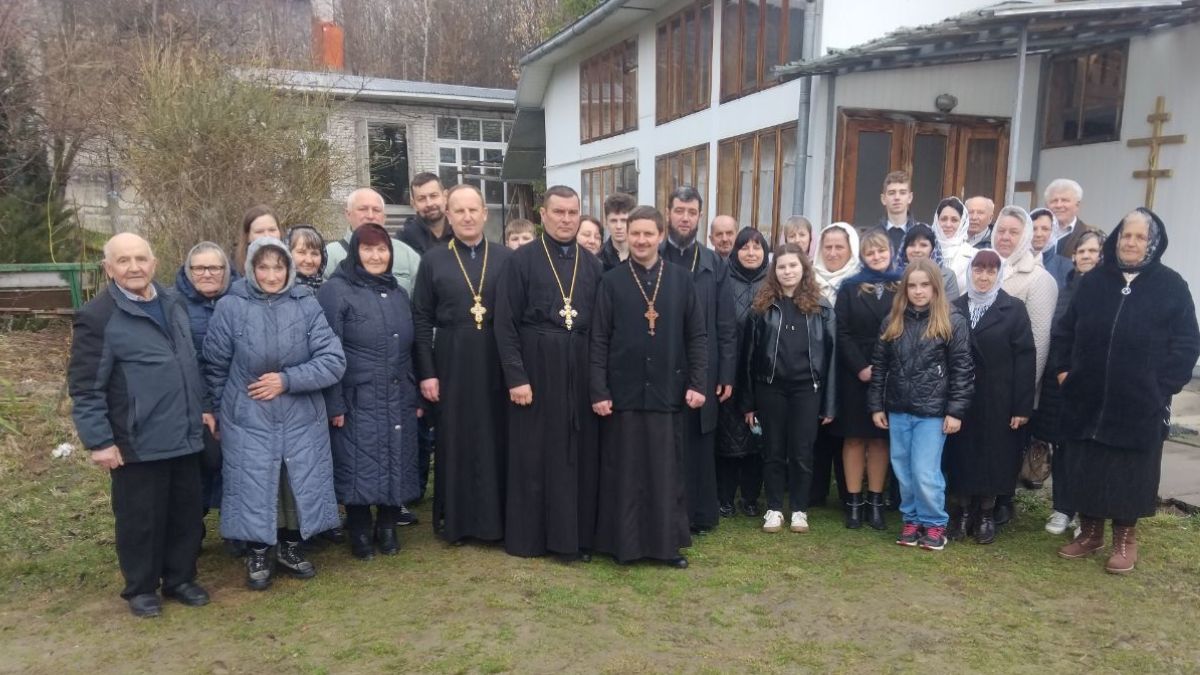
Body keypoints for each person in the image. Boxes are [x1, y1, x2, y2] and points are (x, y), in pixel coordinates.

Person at [69, 233, 211, 618]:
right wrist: (99, 441)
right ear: (109, 268)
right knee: (141, 519)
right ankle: (141, 588)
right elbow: (85, 387)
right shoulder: (98, 317)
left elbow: (188, 364)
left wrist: (202, 407)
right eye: (124, 260)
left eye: (141, 259)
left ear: (154, 262)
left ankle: (181, 579)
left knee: (185, 513)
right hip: (136, 440)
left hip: (184, 433)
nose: (134, 268)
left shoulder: (172, 302)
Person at [1053, 209, 1199, 573]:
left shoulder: (1171, 285)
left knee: (1128, 472)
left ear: (1153, 243)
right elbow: (1066, 330)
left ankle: (1123, 538)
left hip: (1138, 401)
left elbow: (1186, 343)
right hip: (1086, 395)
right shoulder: (1094, 282)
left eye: (1139, 237)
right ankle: (1090, 532)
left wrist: (1162, 385)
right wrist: (1063, 373)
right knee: (1086, 465)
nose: (1131, 243)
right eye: (1125, 236)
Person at [204, 237, 345, 590]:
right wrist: (221, 411)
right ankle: (258, 549)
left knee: (295, 480)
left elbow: (333, 361)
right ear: (251, 268)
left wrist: (287, 380)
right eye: (263, 267)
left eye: (278, 266)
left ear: (289, 268)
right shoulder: (231, 307)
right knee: (253, 481)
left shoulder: (306, 304)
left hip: (300, 411)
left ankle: (291, 545)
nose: (271, 275)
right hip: (247, 414)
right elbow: (215, 366)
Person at [590, 205, 707, 568]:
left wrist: (698, 381)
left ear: (660, 235)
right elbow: (598, 340)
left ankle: (664, 547)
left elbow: (697, 336)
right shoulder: (611, 281)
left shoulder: (681, 279)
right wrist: (599, 390)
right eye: (634, 233)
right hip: (622, 392)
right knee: (624, 471)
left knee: (663, 472)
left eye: (648, 234)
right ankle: (623, 546)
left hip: (665, 390)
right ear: (626, 234)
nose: (641, 240)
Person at [494, 185, 604, 560]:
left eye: (573, 213)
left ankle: (575, 537)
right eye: (558, 212)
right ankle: (534, 537)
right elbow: (505, 324)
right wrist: (516, 377)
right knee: (535, 453)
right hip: (536, 369)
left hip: (579, 366)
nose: (566, 219)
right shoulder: (521, 260)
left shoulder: (593, 264)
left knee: (577, 454)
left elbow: (602, 328)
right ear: (543, 215)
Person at [413, 184, 513, 545]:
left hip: (496, 360)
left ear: (485, 213)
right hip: (452, 360)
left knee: (496, 437)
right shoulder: (433, 260)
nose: (468, 217)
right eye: (460, 211)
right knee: (456, 439)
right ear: (449, 216)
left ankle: (496, 520)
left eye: (474, 210)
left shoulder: (505, 258)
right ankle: (456, 521)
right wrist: (427, 372)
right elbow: (421, 319)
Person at [317, 223, 420, 560]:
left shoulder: (398, 293)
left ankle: (388, 527)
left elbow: (412, 348)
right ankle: (360, 530)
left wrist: (416, 392)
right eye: (368, 249)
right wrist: (334, 404)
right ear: (355, 252)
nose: (376, 256)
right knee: (357, 464)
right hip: (357, 396)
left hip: (398, 392)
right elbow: (328, 349)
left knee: (395, 458)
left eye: (382, 249)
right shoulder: (336, 291)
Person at [868, 258, 973, 551]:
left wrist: (955, 410)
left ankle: (935, 524)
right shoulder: (892, 321)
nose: (918, 291)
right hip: (899, 408)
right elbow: (880, 367)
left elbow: (962, 369)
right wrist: (877, 405)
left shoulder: (952, 320)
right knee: (903, 469)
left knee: (925, 471)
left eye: (924, 285)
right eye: (912, 285)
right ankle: (911, 519)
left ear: (936, 287)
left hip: (933, 412)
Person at [741, 244, 836, 535]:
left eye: (793, 266)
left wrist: (829, 404)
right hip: (771, 388)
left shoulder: (821, 307)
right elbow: (749, 356)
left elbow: (832, 357)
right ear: (775, 271)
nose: (787, 271)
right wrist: (748, 403)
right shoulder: (762, 307)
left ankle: (798, 509)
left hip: (808, 389)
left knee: (802, 451)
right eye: (781, 267)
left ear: (803, 268)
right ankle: (773, 508)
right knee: (773, 450)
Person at [944, 249, 1036, 544]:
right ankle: (960, 512)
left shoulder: (1014, 309)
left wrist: (1022, 406)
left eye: (990, 271)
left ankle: (985, 514)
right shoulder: (954, 307)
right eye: (978, 270)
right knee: (961, 456)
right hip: (963, 397)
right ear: (970, 272)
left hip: (999, 397)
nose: (983, 277)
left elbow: (1025, 359)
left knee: (994, 457)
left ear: (999, 274)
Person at [659, 186, 736, 535]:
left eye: (691, 212)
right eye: (679, 211)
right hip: (661, 362)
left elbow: (726, 323)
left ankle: (698, 514)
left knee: (698, 440)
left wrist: (726, 372)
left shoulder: (714, 263)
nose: (685, 218)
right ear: (668, 212)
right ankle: (664, 511)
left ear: (699, 216)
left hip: (703, 364)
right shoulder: (654, 255)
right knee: (664, 439)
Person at [989, 206, 1059, 526]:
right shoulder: (983, 267)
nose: (1005, 237)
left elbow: (1039, 343)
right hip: (980, 378)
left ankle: (1004, 498)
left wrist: (1025, 395)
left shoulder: (1039, 279)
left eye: (1013, 232)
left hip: (1015, 383)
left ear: (1026, 236)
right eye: (1001, 230)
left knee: (1008, 446)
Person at [1034, 230, 1104, 536]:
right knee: (1062, 448)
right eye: (1081, 251)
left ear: (1103, 255)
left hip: (1095, 386)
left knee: (1090, 451)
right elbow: (1057, 335)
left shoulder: (1109, 293)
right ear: (1072, 256)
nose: (1086, 256)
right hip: (1060, 382)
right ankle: (1062, 508)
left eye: (1093, 251)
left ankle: (1085, 514)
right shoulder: (1062, 291)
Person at [834, 230, 901, 530]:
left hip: (891, 367)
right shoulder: (848, 287)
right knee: (855, 437)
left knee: (879, 438)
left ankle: (876, 501)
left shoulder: (901, 285)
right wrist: (860, 366)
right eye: (870, 252)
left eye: (881, 251)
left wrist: (885, 365)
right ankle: (853, 502)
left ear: (890, 252)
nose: (876, 257)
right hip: (854, 372)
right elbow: (842, 330)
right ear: (862, 256)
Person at [173, 242, 235, 550]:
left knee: (234, 469)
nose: (208, 274)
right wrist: (204, 406)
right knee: (196, 475)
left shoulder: (240, 298)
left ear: (226, 270)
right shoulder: (175, 305)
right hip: (195, 404)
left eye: (215, 268)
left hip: (236, 399)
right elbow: (184, 361)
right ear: (188, 271)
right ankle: (189, 535)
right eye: (200, 268)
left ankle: (235, 532)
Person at [716, 228, 769, 518]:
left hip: (761, 374)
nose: (751, 253)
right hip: (729, 371)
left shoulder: (772, 281)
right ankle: (724, 496)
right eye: (745, 247)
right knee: (726, 439)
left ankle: (750, 497)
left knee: (756, 438)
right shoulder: (723, 279)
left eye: (757, 247)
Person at [810, 222, 860, 507]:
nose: (832, 252)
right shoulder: (809, 279)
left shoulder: (857, 281)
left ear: (850, 249)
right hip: (814, 365)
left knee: (844, 429)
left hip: (847, 367)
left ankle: (846, 491)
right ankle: (815, 491)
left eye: (839, 246)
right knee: (816, 429)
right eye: (827, 246)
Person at [324, 188, 422, 295]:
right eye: (363, 209)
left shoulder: (406, 254)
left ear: (384, 217)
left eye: (376, 210)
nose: (370, 216)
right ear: (348, 214)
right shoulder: (329, 255)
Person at [896, 224, 961, 300]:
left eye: (923, 245)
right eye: (911, 245)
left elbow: (951, 308)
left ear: (933, 249)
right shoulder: (894, 275)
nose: (917, 250)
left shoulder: (948, 276)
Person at [399, 172, 452, 255]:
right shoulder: (403, 242)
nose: (429, 204)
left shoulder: (460, 235)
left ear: (445, 197)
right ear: (414, 204)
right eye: (421, 199)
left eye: (434, 196)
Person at [874, 171, 926, 254]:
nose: (897, 197)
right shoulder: (873, 236)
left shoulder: (922, 235)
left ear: (910, 197)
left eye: (902, 193)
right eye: (892, 193)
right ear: (883, 199)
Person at [933, 197, 977, 291]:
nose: (948, 224)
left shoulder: (974, 255)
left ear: (962, 223)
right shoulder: (925, 251)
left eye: (954, 220)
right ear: (937, 221)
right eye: (944, 219)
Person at [1042, 178, 1091, 259]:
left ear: (1077, 205)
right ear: (1046, 206)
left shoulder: (1090, 235)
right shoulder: (1033, 233)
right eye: (1054, 201)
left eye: (1065, 200)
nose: (1058, 205)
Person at [1029, 208, 1071, 288]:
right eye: (1033, 229)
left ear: (1053, 231)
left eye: (1045, 229)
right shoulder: (1015, 264)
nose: (1038, 234)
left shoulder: (1067, 267)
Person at [235, 204, 282, 273]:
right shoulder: (233, 270)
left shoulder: (294, 263)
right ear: (247, 236)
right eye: (259, 232)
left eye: (272, 230)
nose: (267, 236)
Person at [598, 192, 635, 270]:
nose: (618, 226)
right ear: (606, 222)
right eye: (613, 221)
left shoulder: (643, 255)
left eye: (624, 220)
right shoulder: (597, 260)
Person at [287, 225, 327, 290]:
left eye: (315, 254)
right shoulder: (277, 291)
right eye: (301, 252)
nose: (309, 260)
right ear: (288, 253)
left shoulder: (331, 290)